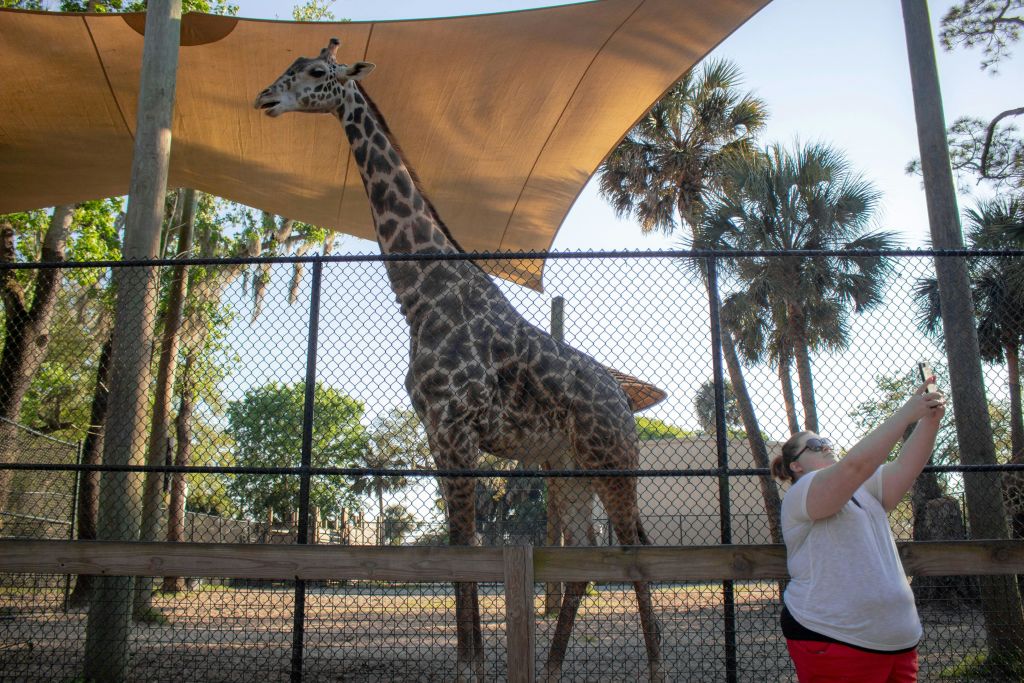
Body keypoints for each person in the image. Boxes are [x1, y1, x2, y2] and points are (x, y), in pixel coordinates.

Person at [769, 377, 945, 683]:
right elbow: (854, 467)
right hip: (834, 638)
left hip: (899, 643)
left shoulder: (864, 490)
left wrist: (930, 420)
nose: (825, 446)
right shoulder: (802, 492)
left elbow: (906, 467)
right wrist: (905, 414)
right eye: (814, 445)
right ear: (795, 465)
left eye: (826, 441)